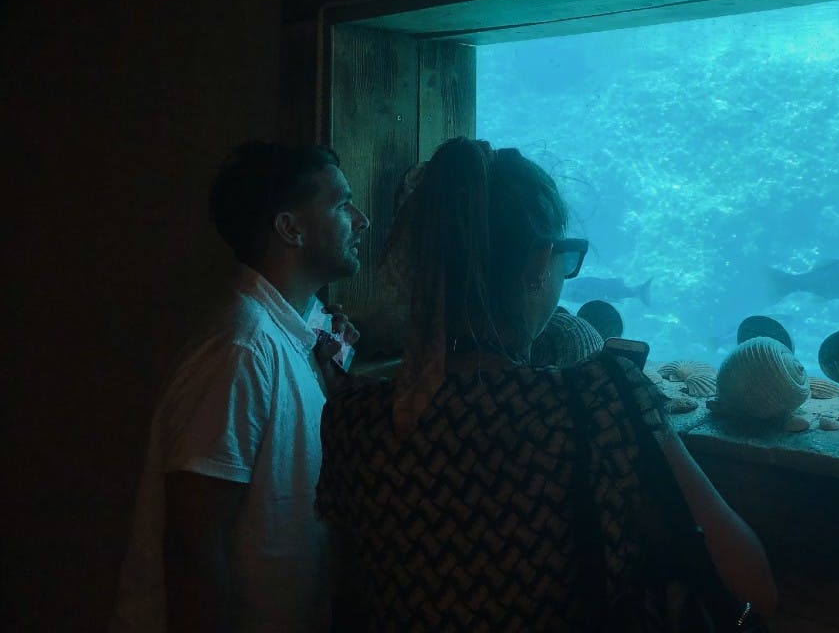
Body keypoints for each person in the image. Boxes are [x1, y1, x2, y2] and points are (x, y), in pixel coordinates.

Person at [316, 138, 778, 630]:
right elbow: (751, 587)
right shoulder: (601, 396)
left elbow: (346, 594)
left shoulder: (352, 417)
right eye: (566, 255)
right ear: (539, 262)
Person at [111, 141, 370, 633]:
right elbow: (193, 543)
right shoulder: (242, 350)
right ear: (289, 228)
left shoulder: (290, 340)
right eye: (340, 203)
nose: (361, 219)